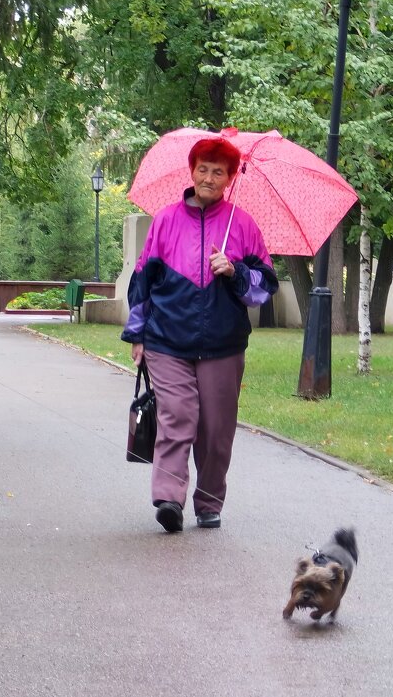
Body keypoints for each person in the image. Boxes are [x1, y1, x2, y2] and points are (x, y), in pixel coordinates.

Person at [121, 137, 278, 533]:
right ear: (192, 172)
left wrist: (236, 271)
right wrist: (137, 335)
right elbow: (142, 282)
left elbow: (264, 287)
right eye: (203, 168)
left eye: (218, 171)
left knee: (216, 429)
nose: (209, 177)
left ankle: (209, 501)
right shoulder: (166, 220)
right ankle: (169, 499)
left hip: (223, 346)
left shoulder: (242, 225)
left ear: (228, 179)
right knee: (179, 416)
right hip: (167, 341)